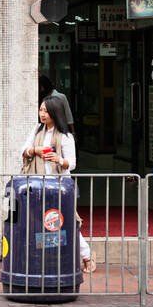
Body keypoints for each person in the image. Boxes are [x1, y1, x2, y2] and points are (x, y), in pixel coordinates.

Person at [20, 97, 94, 273]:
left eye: (45, 111)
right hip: (38, 185)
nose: (42, 114)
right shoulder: (36, 130)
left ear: (55, 113)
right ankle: (48, 258)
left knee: (65, 222)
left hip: (60, 186)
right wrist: (35, 151)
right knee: (41, 223)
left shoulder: (65, 136)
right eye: (41, 110)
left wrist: (58, 159)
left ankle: (87, 256)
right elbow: (24, 150)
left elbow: (72, 164)